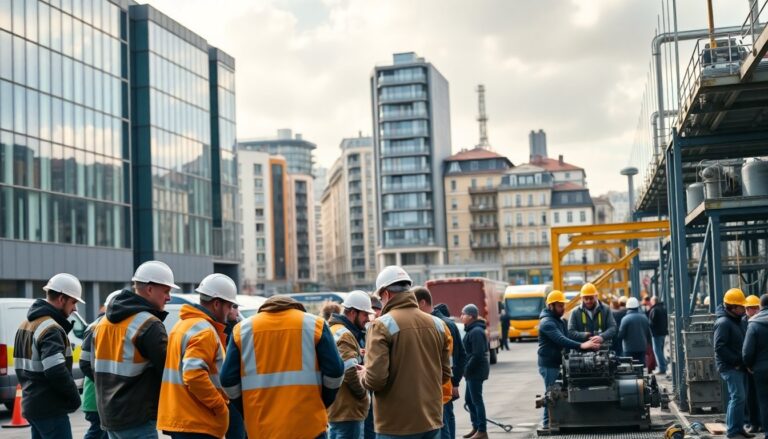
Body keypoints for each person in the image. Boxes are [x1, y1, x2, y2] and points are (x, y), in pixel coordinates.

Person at [220, 295, 344, 439]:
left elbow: (228, 380)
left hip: (261, 429)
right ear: (297, 308)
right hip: (309, 427)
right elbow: (335, 373)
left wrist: (247, 409)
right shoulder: (315, 325)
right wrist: (322, 401)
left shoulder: (242, 330)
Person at [81, 260, 176, 439]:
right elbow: (169, 371)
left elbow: (90, 367)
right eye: (166, 291)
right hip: (137, 419)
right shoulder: (149, 325)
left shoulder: (101, 325)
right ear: (149, 289)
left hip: (109, 417)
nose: (168, 297)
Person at [358, 267, 452, 439]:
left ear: (385, 294)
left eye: (380, 298)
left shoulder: (381, 325)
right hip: (431, 420)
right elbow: (445, 374)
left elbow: (375, 380)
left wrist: (363, 374)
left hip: (395, 425)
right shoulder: (438, 324)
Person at [157, 273, 239, 439]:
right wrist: (220, 406)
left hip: (182, 419)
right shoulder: (204, 331)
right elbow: (193, 375)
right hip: (198, 423)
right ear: (217, 303)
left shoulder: (183, 325)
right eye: (229, 306)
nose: (231, 311)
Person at [13, 273, 85, 439]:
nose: (75, 308)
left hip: (33, 405)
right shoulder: (51, 328)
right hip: (50, 409)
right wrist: (74, 398)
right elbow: (55, 369)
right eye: (73, 302)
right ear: (61, 299)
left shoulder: (25, 325)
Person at [537, 290, 600, 430]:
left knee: (557, 392)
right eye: (560, 306)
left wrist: (586, 338)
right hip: (548, 365)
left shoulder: (559, 321)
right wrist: (582, 345)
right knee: (551, 393)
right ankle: (547, 423)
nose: (563, 308)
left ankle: (555, 419)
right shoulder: (547, 323)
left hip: (557, 362)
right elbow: (561, 340)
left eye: (563, 305)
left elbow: (568, 336)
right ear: (551, 306)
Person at [414, 288, 467, 439]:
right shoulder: (445, 322)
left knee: (444, 426)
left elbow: (459, 356)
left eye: (414, 304)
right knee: (447, 421)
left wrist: (454, 381)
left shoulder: (439, 324)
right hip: (442, 386)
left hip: (440, 387)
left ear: (422, 302)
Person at [327, 291, 374, 439]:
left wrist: (358, 353)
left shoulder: (333, 330)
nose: (367, 319)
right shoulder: (346, 335)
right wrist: (364, 396)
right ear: (353, 312)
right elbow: (350, 372)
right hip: (349, 410)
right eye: (365, 314)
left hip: (337, 408)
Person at [81, 291, 122, 439]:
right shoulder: (99, 327)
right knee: (98, 434)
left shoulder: (99, 325)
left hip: (98, 398)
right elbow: (85, 363)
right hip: (98, 398)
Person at [714, 288, 753, 439]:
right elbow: (719, 347)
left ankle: (738, 428)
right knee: (738, 397)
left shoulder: (737, 320)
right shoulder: (723, 322)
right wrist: (736, 362)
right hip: (730, 366)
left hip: (738, 365)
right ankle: (732, 431)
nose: (744, 308)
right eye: (741, 306)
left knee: (738, 397)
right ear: (732, 307)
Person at [461, 304, 490, 439]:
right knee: (469, 399)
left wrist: (467, 369)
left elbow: (477, 354)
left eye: (464, 314)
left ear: (471, 316)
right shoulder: (471, 330)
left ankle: (482, 430)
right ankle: (476, 427)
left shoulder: (476, 331)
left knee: (476, 400)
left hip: (476, 371)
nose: (461, 316)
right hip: (472, 371)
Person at [743, 294, 768, 436]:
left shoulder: (754, 324)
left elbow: (747, 351)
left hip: (761, 369)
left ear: (760, 306)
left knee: (764, 401)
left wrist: (749, 365)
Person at [567, 283, 616, 349]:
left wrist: (602, 337)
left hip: (602, 350)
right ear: (581, 298)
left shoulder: (606, 309)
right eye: (586, 298)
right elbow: (570, 332)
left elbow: (612, 327)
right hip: (582, 351)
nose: (588, 301)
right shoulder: (575, 312)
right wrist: (584, 335)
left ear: (596, 296)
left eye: (591, 298)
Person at [222, 303, 246, 439]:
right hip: (230, 394)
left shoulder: (239, 328)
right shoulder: (227, 329)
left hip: (234, 393)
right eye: (234, 307)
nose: (237, 311)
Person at [363, 295, 384, 439]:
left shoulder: (382, 326)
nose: (374, 314)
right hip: (368, 384)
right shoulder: (364, 328)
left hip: (375, 383)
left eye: (377, 310)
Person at [617, 298, 652, 365]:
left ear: (627, 307)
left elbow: (620, 335)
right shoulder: (644, 317)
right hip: (642, 347)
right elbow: (648, 333)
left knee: (630, 367)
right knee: (641, 366)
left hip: (629, 348)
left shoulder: (625, 319)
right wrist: (649, 344)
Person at [648, 296, 669, 375]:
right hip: (663, 333)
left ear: (653, 301)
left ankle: (662, 368)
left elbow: (651, 323)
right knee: (660, 350)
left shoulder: (654, 310)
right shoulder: (663, 308)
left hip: (656, 333)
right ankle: (663, 366)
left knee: (657, 351)